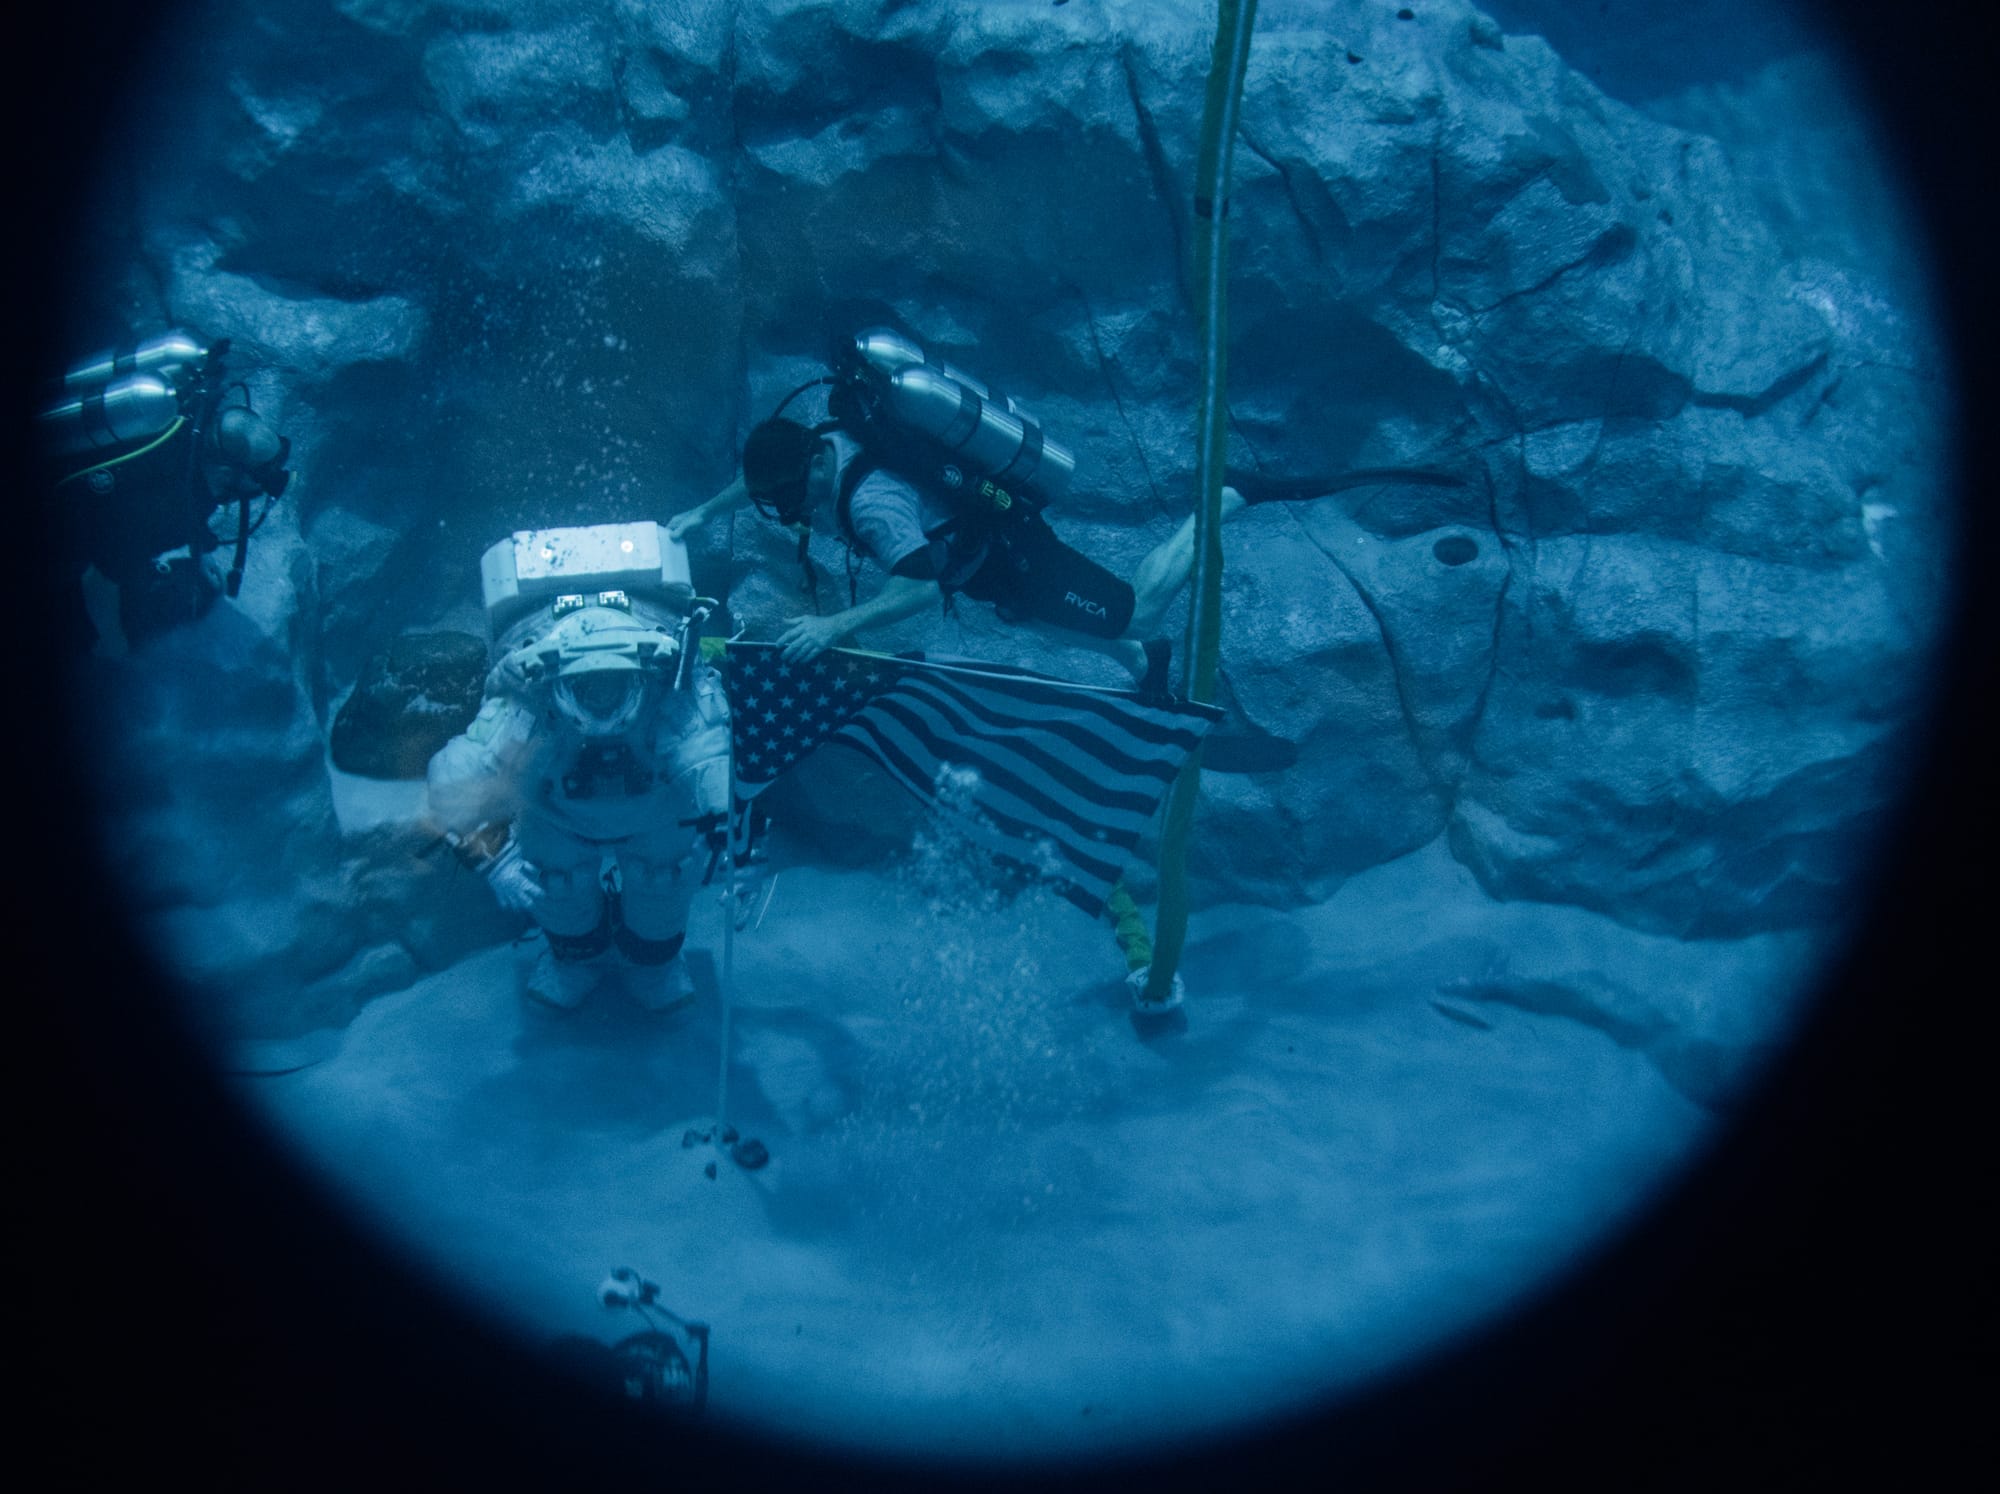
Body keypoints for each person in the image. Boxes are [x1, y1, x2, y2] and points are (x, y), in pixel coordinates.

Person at [667, 327, 1461, 693]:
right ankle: (1142, 668)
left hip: (1011, 552)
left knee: (1136, 608)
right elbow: (765, 475)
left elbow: (916, 588)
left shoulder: (872, 504)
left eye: (793, 495)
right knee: (1044, 624)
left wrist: (834, 627)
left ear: (816, 461)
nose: (790, 509)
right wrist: (704, 513)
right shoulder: (822, 436)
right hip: (989, 571)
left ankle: (1225, 498)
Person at [425, 588, 732, 1012]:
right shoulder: (530, 697)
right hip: (556, 815)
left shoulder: (669, 689)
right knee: (556, 884)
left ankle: (655, 965)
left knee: (663, 880)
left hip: (655, 810)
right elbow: (452, 778)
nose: (601, 698)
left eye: (611, 683)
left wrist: (729, 838)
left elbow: (710, 763)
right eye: (588, 686)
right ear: (561, 679)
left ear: (638, 674)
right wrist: (495, 859)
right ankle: (574, 960)